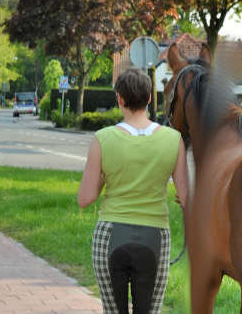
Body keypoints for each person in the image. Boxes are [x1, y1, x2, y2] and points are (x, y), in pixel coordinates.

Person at [77, 68, 189, 314]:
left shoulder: (102, 139)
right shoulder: (174, 140)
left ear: (120, 99)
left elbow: (85, 199)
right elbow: (185, 199)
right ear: (150, 98)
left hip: (110, 234)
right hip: (156, 236)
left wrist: (105, 177)